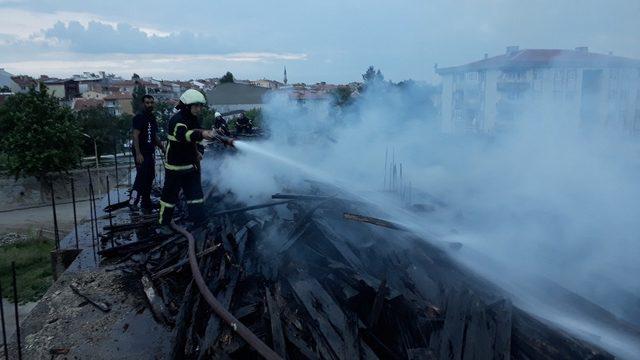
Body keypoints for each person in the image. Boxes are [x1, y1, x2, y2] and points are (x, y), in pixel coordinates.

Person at [158, 89, 216, 233]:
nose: (199, 109)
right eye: (196, 106)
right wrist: (202, 133)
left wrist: (200, 152)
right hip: (175, 166)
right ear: (186, 106)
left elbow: (198, 140)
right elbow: (183, 135)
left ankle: (198, 221)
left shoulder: (194, 119)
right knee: (169, 197)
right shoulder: (176, 120)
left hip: (191, 165)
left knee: (195, 195)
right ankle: (164, 223)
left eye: (201, 106)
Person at [130, 94, 164, 211]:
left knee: (150, 176)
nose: (149, 105)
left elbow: (154, 136)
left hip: (150, 152)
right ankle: (133, 201)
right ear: (143, 104)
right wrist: (138, 154)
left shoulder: (152, 118)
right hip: (141, 153)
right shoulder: (139, 117)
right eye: (147, 103)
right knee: (140, 178)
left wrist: (163, 148)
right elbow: (135, 136)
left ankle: (146, 201)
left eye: (151, 102)